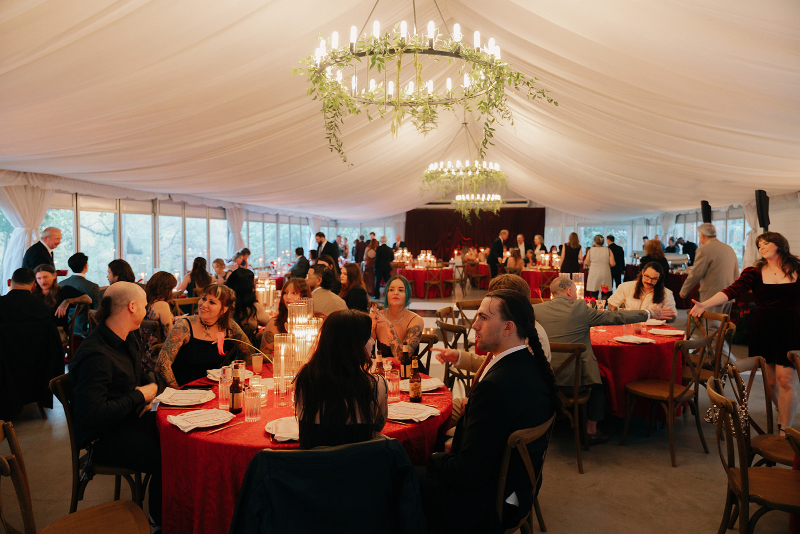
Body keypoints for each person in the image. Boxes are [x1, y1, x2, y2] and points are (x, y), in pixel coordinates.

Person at [419, 289, 558, 534]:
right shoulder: (532, 364)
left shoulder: (494, 387)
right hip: (522, 487)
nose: (475, 324)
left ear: (508, 327)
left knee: (402, 473)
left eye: (483, 317)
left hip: (491, 503)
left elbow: (467, 474)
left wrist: (430, 455)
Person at [534, 276, 674, 444]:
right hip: (575, 384)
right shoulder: (580, 308)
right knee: (601, 380)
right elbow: (617, 317)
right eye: (576, 292)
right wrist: (650, 313)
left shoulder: (536, 311)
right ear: (569, 291)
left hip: (542, 381)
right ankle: (591, 430)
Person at [67, 282, 161, 526]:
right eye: (144, 306)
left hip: (125, 421)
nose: (147, 310)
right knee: (170, 454)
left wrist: (149, 389)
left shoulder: (125, 336)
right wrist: (140, 396)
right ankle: (158, 521)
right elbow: (92, 414)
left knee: (176, 431)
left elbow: (139, 374)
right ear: (132, 307)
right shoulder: (97, 354)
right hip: (104, 439)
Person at [689, 231, 799, 434]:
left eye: (766, 243)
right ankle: (782, 409)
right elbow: (731, 291)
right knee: (771, 381)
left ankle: (785, 428)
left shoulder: (797, 268)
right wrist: (705, 304)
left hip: (790, 327)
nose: (762, 247)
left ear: (780, 244)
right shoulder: (754, 272)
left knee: (786, 379)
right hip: (763, 327)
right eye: (759, 245)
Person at [432, 274, 552, 433]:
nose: (475, 325)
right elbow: (493, 364)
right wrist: (459, 356)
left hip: (494, 416)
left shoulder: (525, 340)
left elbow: (511, 391)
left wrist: (474, 404)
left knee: (431, 422)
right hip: (485, 404)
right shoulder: (515, 332)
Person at [295, 309, 388, 449]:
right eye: (368, 337)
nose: (373, 341)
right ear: (354, 345)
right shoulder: (376, 385)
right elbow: (377, 426)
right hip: (358, 467)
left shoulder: (305, 380)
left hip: (312, 468)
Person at [155, 284, 255, 388]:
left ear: (224, 309)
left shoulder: (229, 327)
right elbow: (162, 366)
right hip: (185, 390)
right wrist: (177, 392)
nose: (203, 304)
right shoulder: (184, 326)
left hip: (215, 389)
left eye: (212, 302)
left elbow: (249, 352)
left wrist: (240, 380)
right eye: (203, 299)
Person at [679, 223, 740, 304]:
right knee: (724, 317)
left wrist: (684, 292)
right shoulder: (729, 248)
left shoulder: (704, 250)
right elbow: (736, 273)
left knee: (711, 317)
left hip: (712, 296)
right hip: (729, 295)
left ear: (702, 236)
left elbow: (696, 274)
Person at [372, 276, 424, 368]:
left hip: (410, 374)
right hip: (384, 373)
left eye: (401, 290)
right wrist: (371, 328)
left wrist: (389, 327)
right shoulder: (378, 317)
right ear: (386, 293)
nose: (395, 293)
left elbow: (401, 359)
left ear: (407, 294)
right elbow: (367, 356)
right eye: (391, 290)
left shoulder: (416, 320)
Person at [33, 264, 92, 343]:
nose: (42, 281)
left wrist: (68, 301)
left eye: (45, 277)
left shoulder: (64, 290)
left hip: (57, 331)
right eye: (39, 278)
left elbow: (88, 299)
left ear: (54, 276)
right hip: (38, 329)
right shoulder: (33, 294)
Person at [260, 278, 311, 356]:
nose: (288, 297)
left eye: (294, 293)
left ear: (304, 296)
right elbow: (264, 354)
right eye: (285, 293)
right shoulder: (275, 323)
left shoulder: (314, 321)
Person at [608, 262, 677, 318]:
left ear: (659, 278)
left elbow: (672, 317)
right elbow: (611, 304)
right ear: (642, 272)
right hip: (630, 325)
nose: (649, 281)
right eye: (647, 276)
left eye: (654, 279)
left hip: (653, 329)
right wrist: (619, 315)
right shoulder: (626, 287)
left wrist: (656, 314)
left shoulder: (666, 293)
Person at [141, 271, 176, 373]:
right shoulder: (162, 305)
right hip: (160, 355)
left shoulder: (146, 303)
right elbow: (170, 336)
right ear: (166, 289)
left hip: (145, 355)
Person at [60, 252, 101, 338]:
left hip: (63, 329)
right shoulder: (92, 287)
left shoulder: (61, 284)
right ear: (86, 266)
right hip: (83, 331)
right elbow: (97, 311)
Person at [585, 234, 615, 299]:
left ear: (595, 242)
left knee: (594, 294)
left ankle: (594, 308)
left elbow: (587, 262)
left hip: (594, 273)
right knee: (605, 293)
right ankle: (603, 308)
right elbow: (612, 263)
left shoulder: (591, 250)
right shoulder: (608, 250)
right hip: (605, 273)